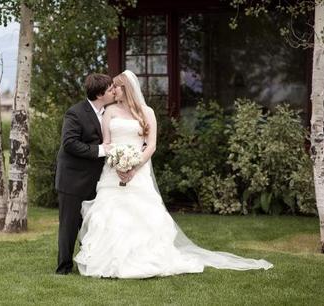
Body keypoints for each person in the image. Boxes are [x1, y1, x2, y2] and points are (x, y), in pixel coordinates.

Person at [74, 70, 273, 279]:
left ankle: (146, 259)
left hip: (138, 172)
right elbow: (107, 143)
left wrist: (133, 167)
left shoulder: (147, 112)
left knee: (143, 215)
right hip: (113, 173)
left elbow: (151, 146)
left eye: (116, 86)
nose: (112, 90)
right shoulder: (109, 112)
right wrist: (117, 163)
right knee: (110, 215)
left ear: (126, 89)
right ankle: (109, 260)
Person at [55, 73, 115, 275]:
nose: (113, 91)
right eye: (110, 89)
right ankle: (63, 268)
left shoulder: (110, 112)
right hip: (72, 179)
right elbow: (69, 143)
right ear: (100, 94)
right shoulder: (75, 113)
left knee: (93, 224)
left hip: (97, 179)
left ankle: (89, 262)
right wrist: (100, 150)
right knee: (69, 226)